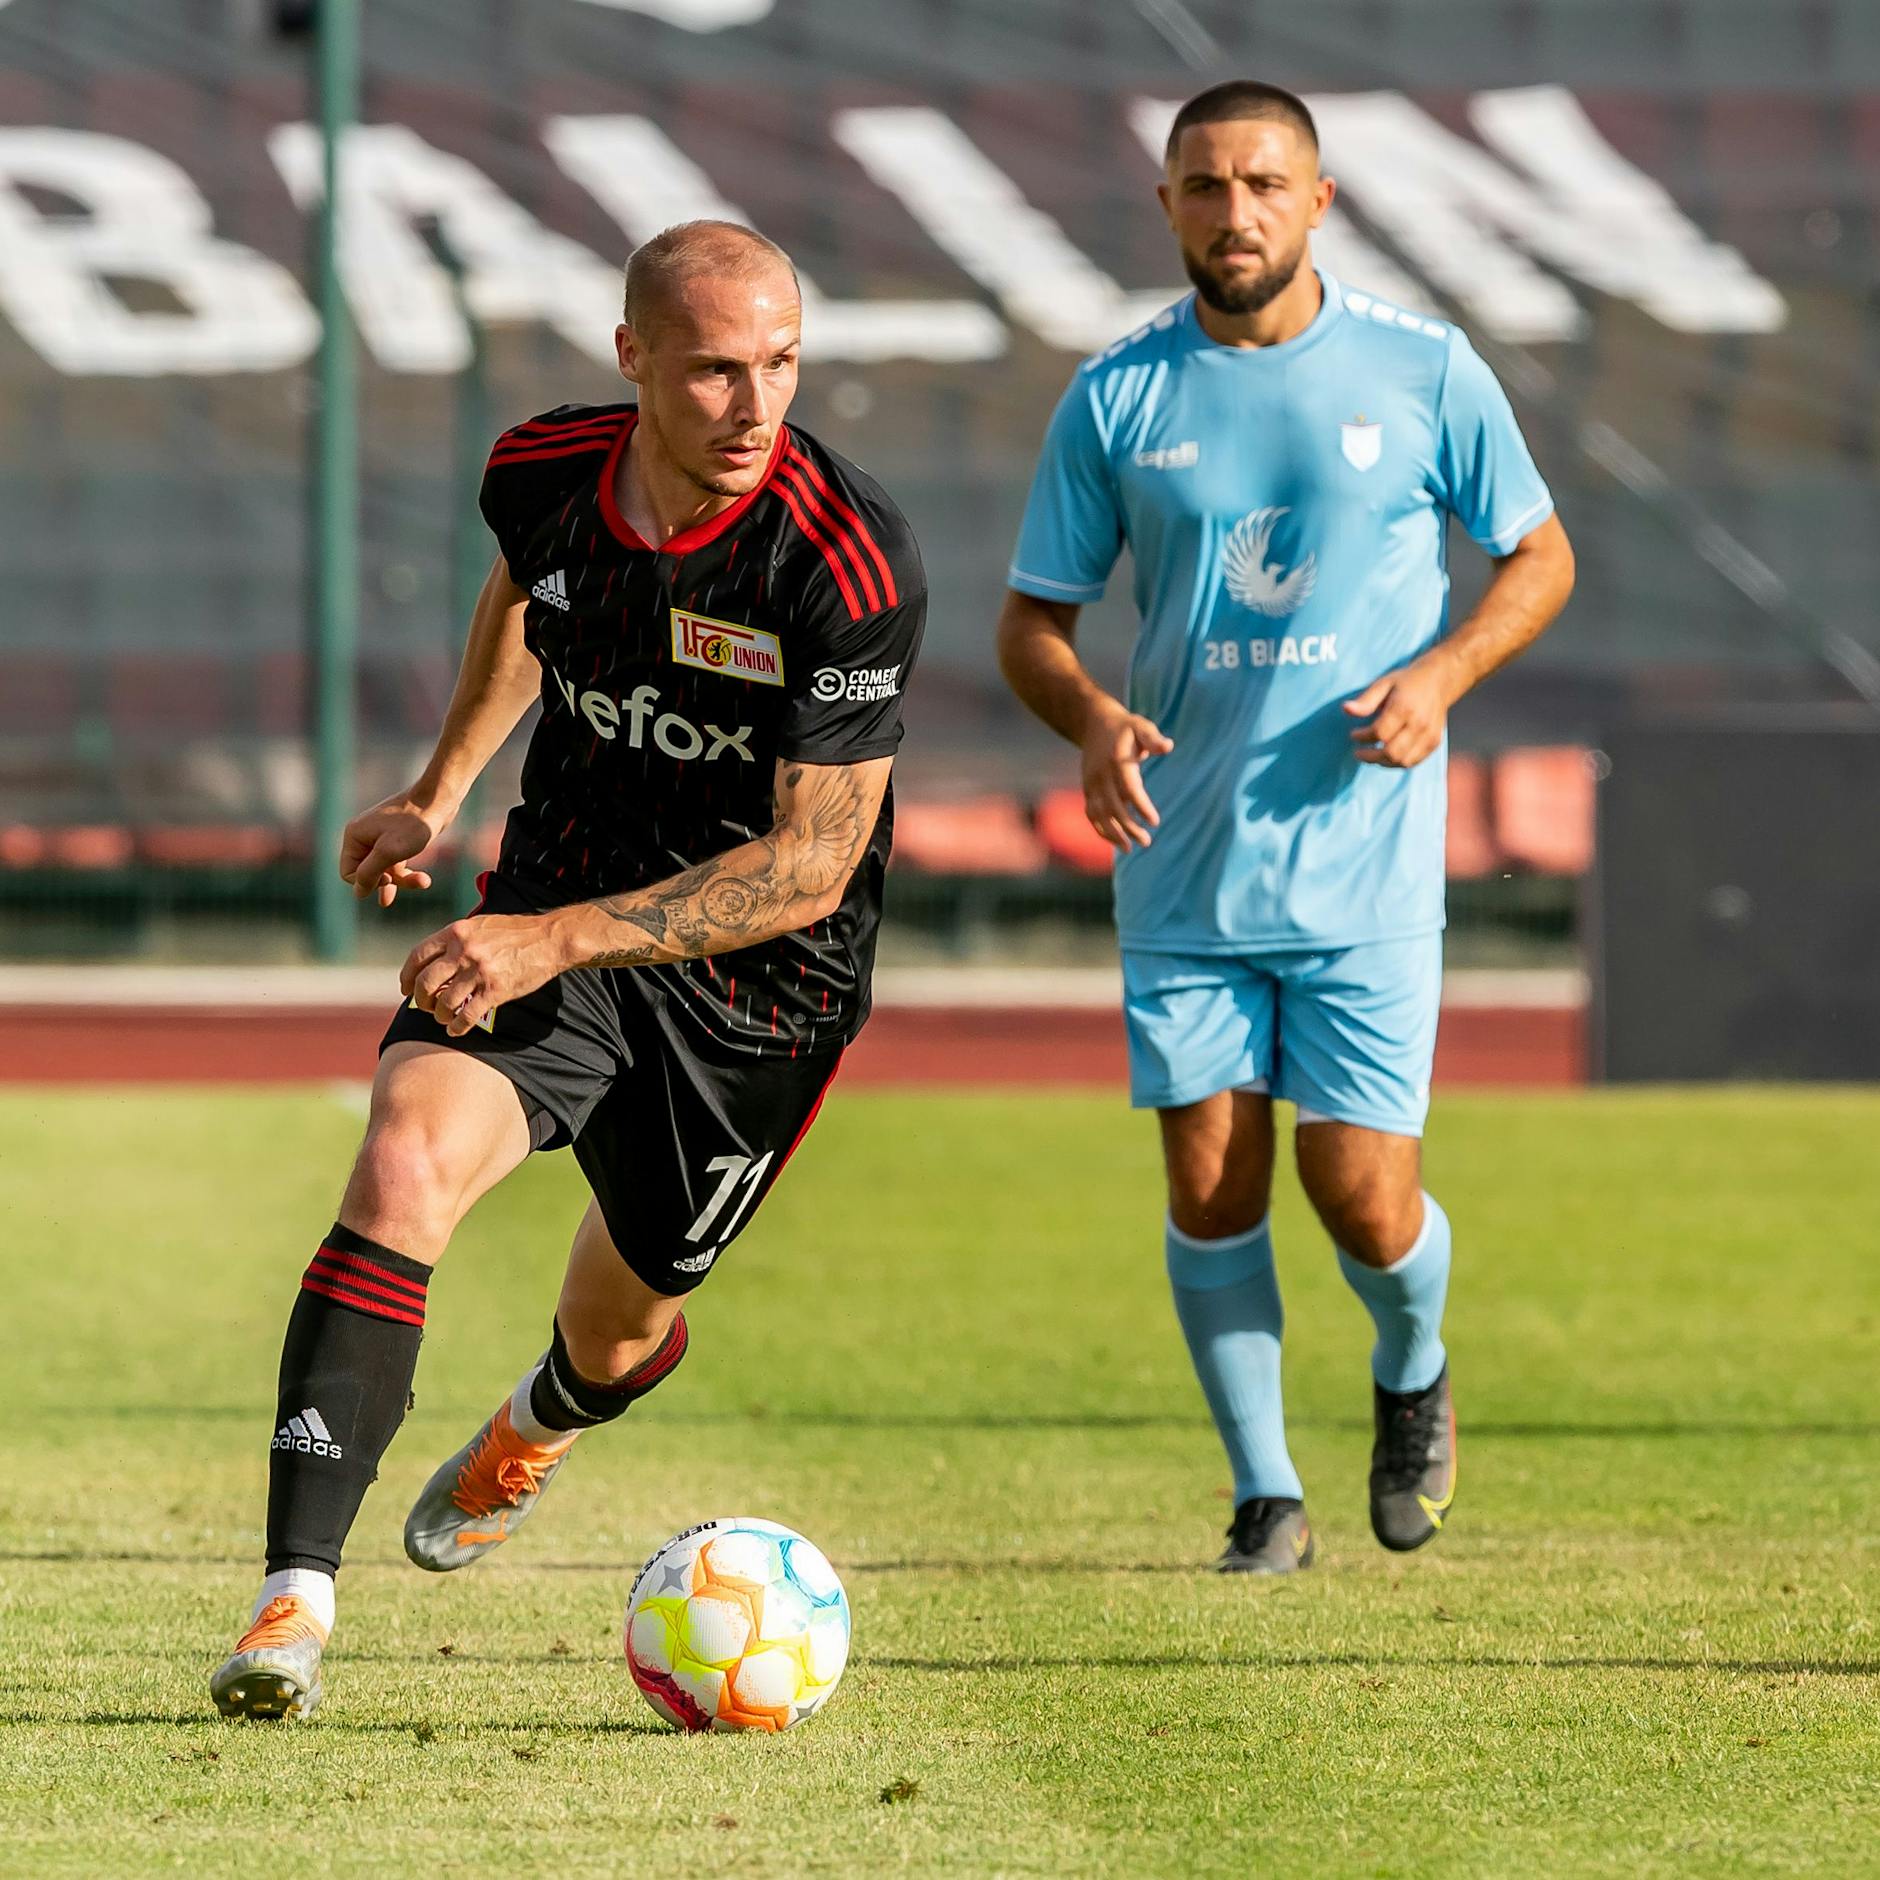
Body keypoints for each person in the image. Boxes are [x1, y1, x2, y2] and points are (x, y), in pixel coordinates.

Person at [210, 220, 925, 1718]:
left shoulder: (844, 560)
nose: (755, 407)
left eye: (782, 366)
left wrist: (561, 934)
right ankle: (291, 1605)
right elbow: (528, 606)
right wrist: (441, 789)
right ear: (633, 360)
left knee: (620, 1325)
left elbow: (809, 868)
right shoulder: (540, 468)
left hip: (757, 986)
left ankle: (534, 1426)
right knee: (401, 1166)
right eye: (717, 370)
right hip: (552, 905)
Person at [997, 81, 1574, 1572]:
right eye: (1204, 185)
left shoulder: (1422, 370)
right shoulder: (1120, 395)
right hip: (1182, 862)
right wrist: (1088, 720)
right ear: (1171, 205)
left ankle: (1411, 1367)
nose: (1233, 211)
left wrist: (1444, 674)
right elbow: (1031, 623)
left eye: (1262, 183)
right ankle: (1266, 1495)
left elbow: (1540, 555)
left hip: (1365, 868)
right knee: (1209, 1179)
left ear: (1319, 201)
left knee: (1361, 1196)